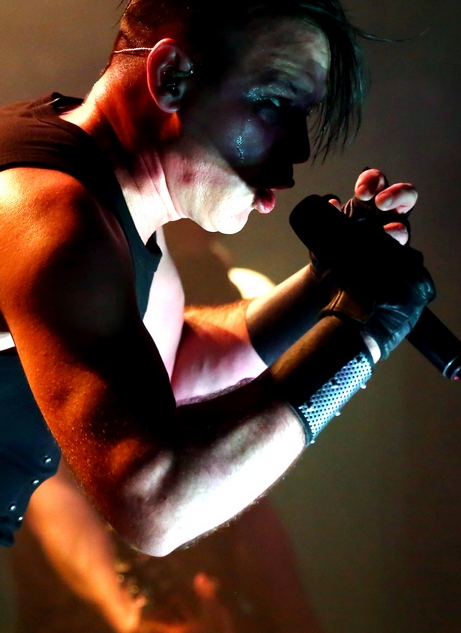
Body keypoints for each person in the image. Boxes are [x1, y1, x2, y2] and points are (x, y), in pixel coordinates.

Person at [0, 0, 433, 554]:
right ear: (172, 76)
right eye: (274, 103)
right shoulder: (52, 213)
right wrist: (359, 340)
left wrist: (325, 287)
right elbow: (158, 499)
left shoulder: (102, 198)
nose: (299, 150)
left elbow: (173, 363)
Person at [9, 222, 324, 633]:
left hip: (206, 590)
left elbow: (245, 472)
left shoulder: (207, 272)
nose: (267, 200)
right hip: (86, 603)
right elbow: (47, 473)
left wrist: (295, 616)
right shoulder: (75, 241)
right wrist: (128, 614)